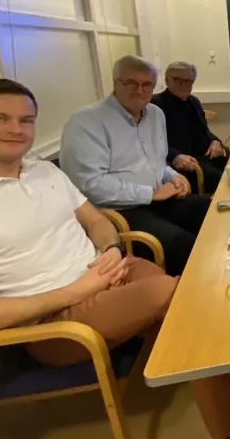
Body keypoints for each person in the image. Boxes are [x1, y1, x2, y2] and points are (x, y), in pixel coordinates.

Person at [0, 79, 230, 439]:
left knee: (186, 298)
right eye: (0, 119)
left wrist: (111, 250)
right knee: (182, 293)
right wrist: (77, 290)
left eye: (26, 120)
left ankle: (223, 368)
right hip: (56, 323)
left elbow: (96, 221)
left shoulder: (44, 172)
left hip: (109, 275)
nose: (16, 129)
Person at [60, 55, 209, 276]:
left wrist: (171, 176)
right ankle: (188, 298)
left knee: (210, 214)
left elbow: (156, 160)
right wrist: (151, 193)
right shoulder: (86, 122)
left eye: (146, 84)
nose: (139, 90)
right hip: (117, 210)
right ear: (115, 83)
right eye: (131, 83)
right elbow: (90, 185)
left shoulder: (156, 114)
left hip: (156, 198)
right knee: (182, 244)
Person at [151, 61, 229, 194]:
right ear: (167, 80)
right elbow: (151, 141)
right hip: (183, 164)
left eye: (189, 81)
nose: (184, 85)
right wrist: (175, 156)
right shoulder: (155, 105)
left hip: (206, 157)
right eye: (178, 80)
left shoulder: (194, 101)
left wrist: (215, 141)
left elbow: (204, 129)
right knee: (225, 181)